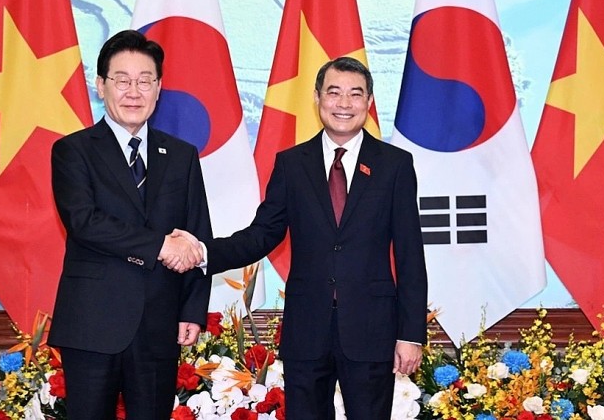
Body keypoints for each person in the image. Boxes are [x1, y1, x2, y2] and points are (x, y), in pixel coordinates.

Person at [178, 56, 427, 419]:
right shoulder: (292, 164)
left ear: (369, 102)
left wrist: (410, 334)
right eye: (334, 93)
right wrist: (202, 251)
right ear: (317, 98)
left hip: (372, 329)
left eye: (355, 94)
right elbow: (262, 234)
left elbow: (409, 253)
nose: (344, 104)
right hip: (307, 330)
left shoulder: (394, 164)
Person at [48, 29, 210, 420]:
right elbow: (85, 222)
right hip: (92, 323)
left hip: (159, 323)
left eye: (144, 81)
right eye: (121, 80)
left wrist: (192, 309)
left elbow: (196, 235)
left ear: (158, 89)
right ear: (100, 85)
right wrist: (159, 245)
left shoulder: (182, 156)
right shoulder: (73, 150)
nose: (133, 91)